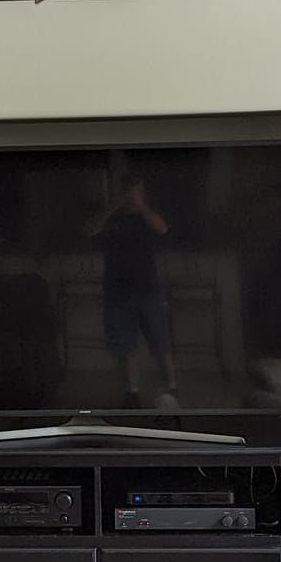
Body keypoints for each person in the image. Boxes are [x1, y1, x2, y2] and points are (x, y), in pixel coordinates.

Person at [89, 171, 179, 409]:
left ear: (142, 193)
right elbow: (91, 230)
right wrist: (113, 208)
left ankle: (171, 386)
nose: (131, 195)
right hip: (117, 291)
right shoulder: (112, 217)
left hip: (148, 289)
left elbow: (163, 229)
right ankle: (132, 391)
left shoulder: (148, 215)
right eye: (128, 191)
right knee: (125, 345)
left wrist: (142, 208)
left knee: (161, 341)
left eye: (136, 191)